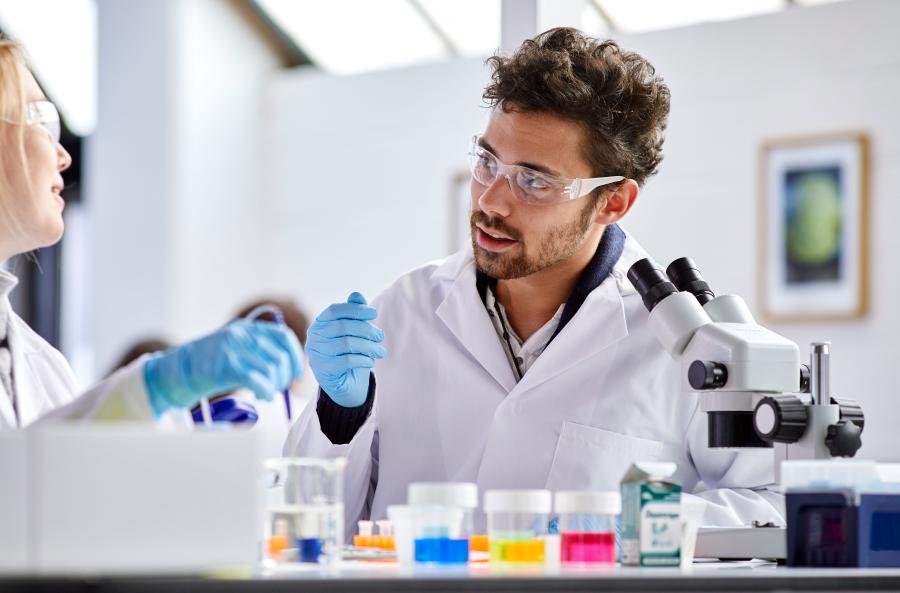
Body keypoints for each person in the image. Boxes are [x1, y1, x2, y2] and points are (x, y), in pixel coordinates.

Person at [286, 28, 782, 536]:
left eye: (534, 181)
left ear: (613, 202)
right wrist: (339, 416)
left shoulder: (685, 347)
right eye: (487, 162)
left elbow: (772, 505)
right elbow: (307, 528)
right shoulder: (402, 311)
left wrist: (619, 528)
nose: (490, 202)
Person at [0, 39, 304, 428]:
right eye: (43, 123)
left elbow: (54, 476)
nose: (64, 156)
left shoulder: (41, 364)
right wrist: (152, 387)